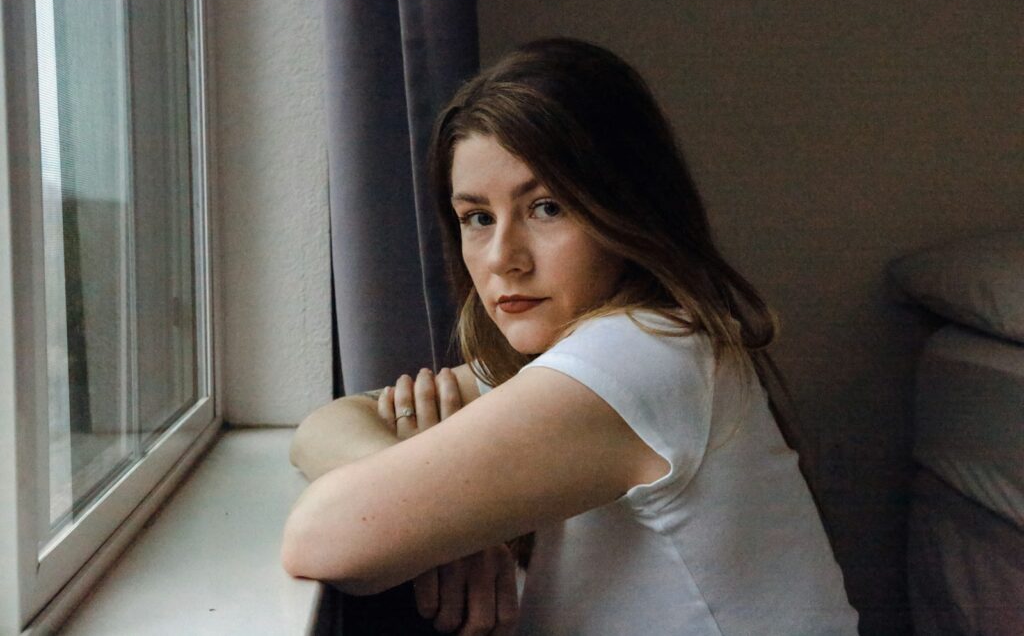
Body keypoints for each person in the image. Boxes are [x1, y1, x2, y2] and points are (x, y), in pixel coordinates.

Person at [282, 37, 859, 635]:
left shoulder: (640, 353)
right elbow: (326, 425)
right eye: (477, 218)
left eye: (547, 208)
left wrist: (417, 513)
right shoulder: (594, 352)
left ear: (627, 208)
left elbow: (320, 537)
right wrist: (433, 513)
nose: (503, 257)